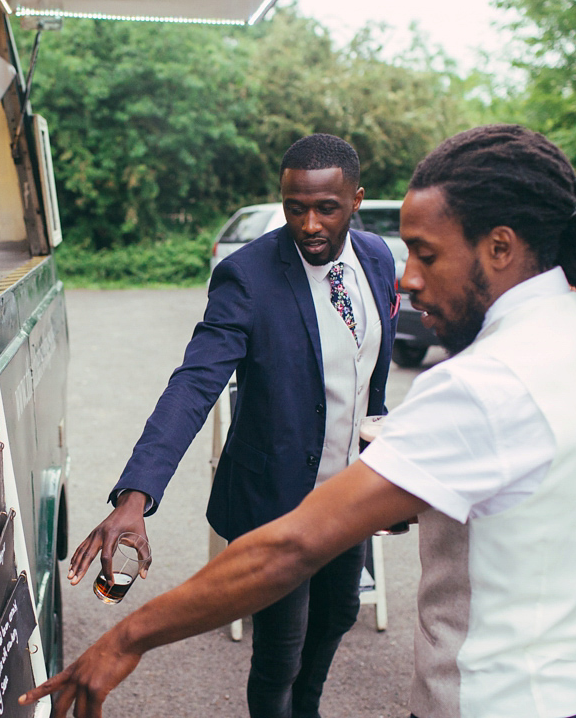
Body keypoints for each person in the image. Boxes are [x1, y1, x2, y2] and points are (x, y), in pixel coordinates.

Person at [25, 124, 576, 718]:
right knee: (282, 647)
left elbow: (293, 546)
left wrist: (124, 641)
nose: (409, 278)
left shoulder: (478, 385)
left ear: (499, 246)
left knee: (328, 622)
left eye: (427, 254)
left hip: (496, 700)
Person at [66, 133, 399, 718]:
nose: (310, 224)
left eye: (327, 208)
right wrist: (136, 495)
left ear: (356, 200)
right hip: (277, 502)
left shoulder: (375, 259)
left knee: (337, 617)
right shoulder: (248, 275)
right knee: (281, 651)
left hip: (349, 497)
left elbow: (371, 380)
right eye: (296, 207)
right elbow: (194, 384)